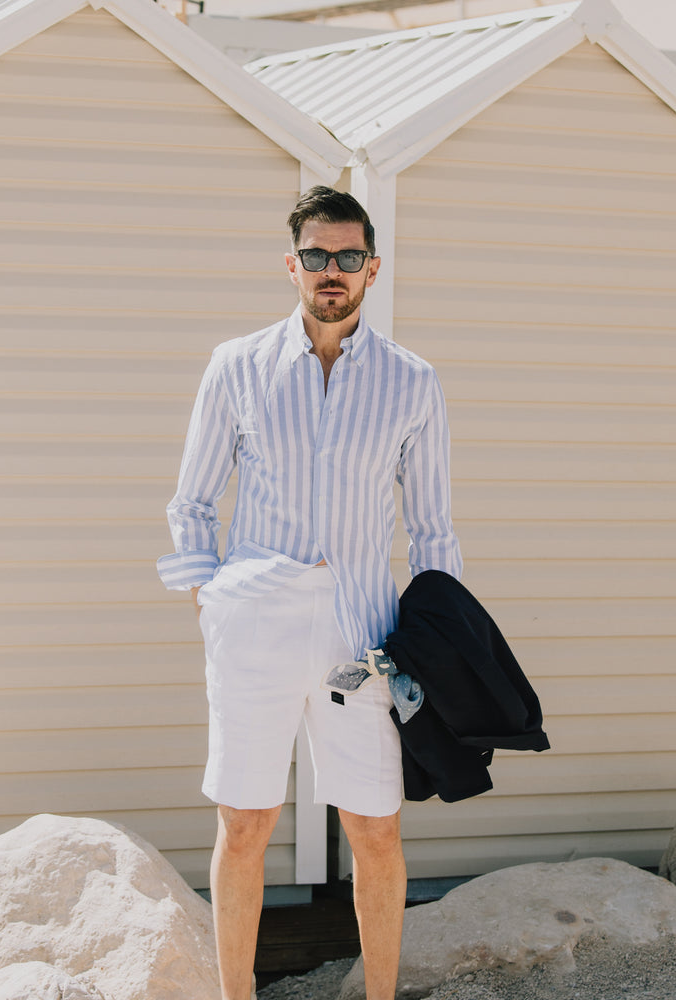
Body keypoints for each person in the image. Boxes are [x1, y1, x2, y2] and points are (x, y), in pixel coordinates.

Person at [157, 186, 462, 1000]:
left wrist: (445, 636)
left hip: (361, 634)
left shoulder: (413, 382)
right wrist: (212, 604)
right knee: (246, 823)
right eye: (318, 257)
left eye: (349, 257)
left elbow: (433, 529)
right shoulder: (237, 365)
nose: (333, 272)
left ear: (373, 268)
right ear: (291, 265)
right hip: (253, 622)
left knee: (374, 827)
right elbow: (192, 502)